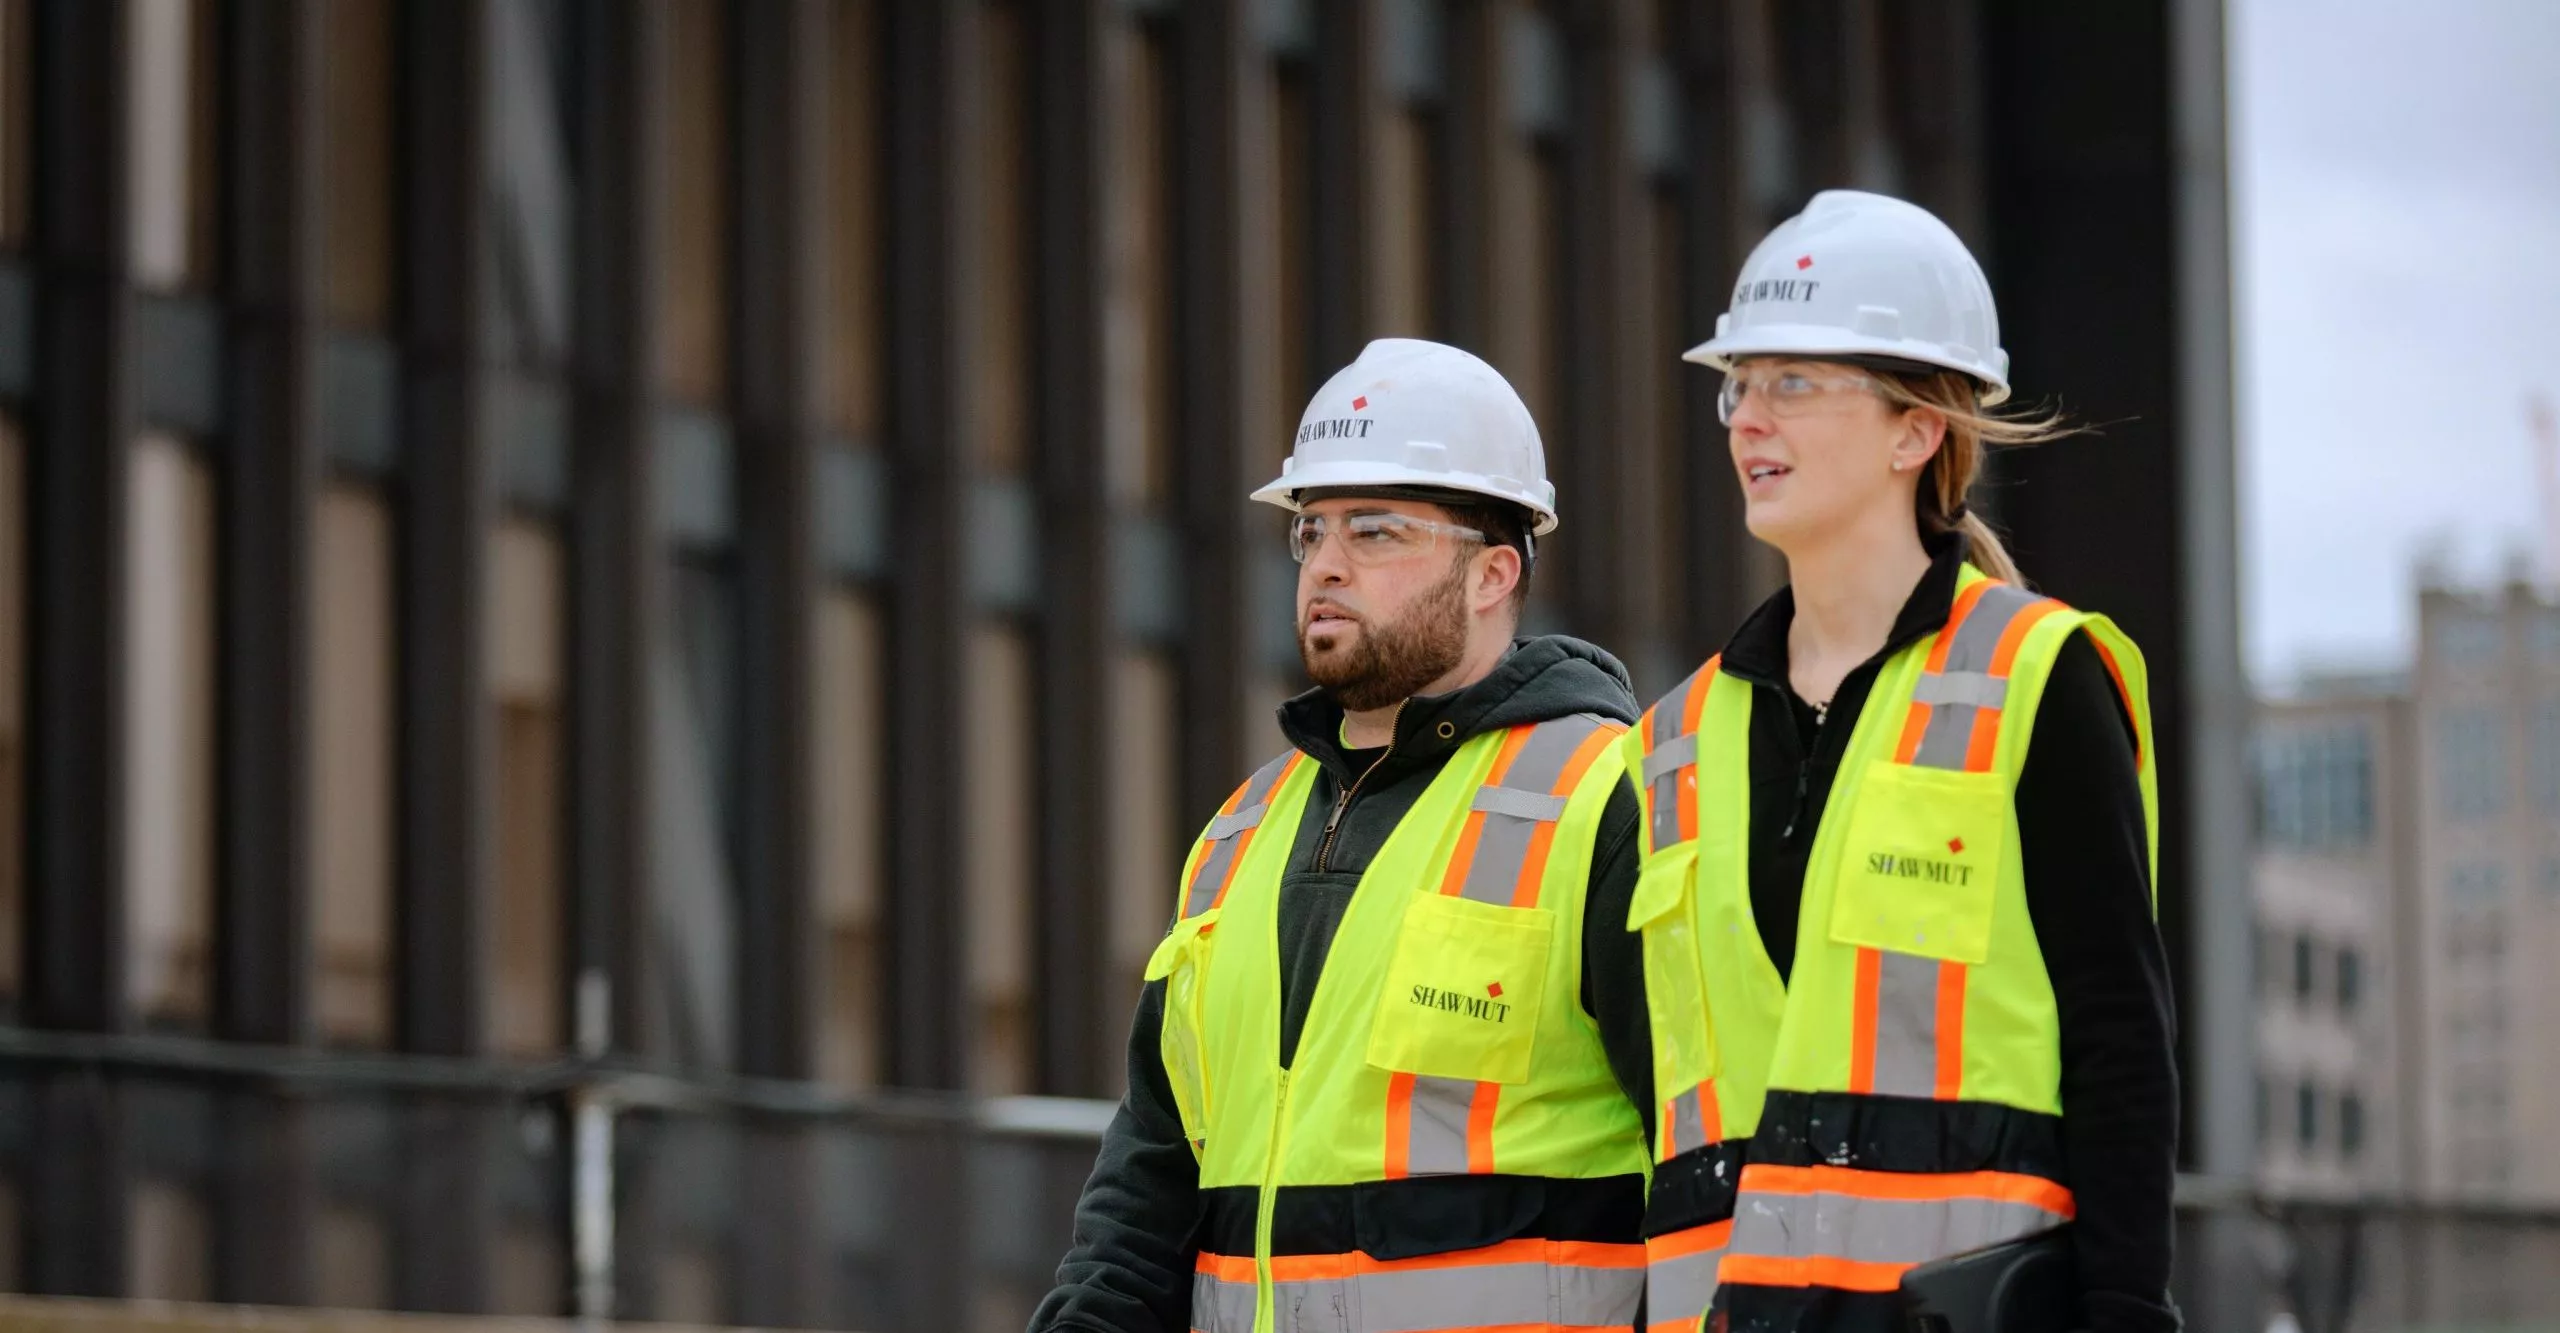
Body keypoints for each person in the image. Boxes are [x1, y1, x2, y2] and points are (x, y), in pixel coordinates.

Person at [1623, 191, 2179, 1333]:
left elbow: (2119, 1040)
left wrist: (2127, 1312)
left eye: (1794, 383)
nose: (1745, 420)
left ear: (1914, 430)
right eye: (1740, 384)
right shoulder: (1673, 742)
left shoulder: (2034, 676)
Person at [1029, 338, 1657, 1333]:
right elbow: (1150, 1178)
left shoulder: (1608, 800)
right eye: (1310, 531)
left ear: (1493, 571)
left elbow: (1711, 1158)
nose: (1324, 565)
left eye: (1373, 533)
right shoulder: (1241, 830)